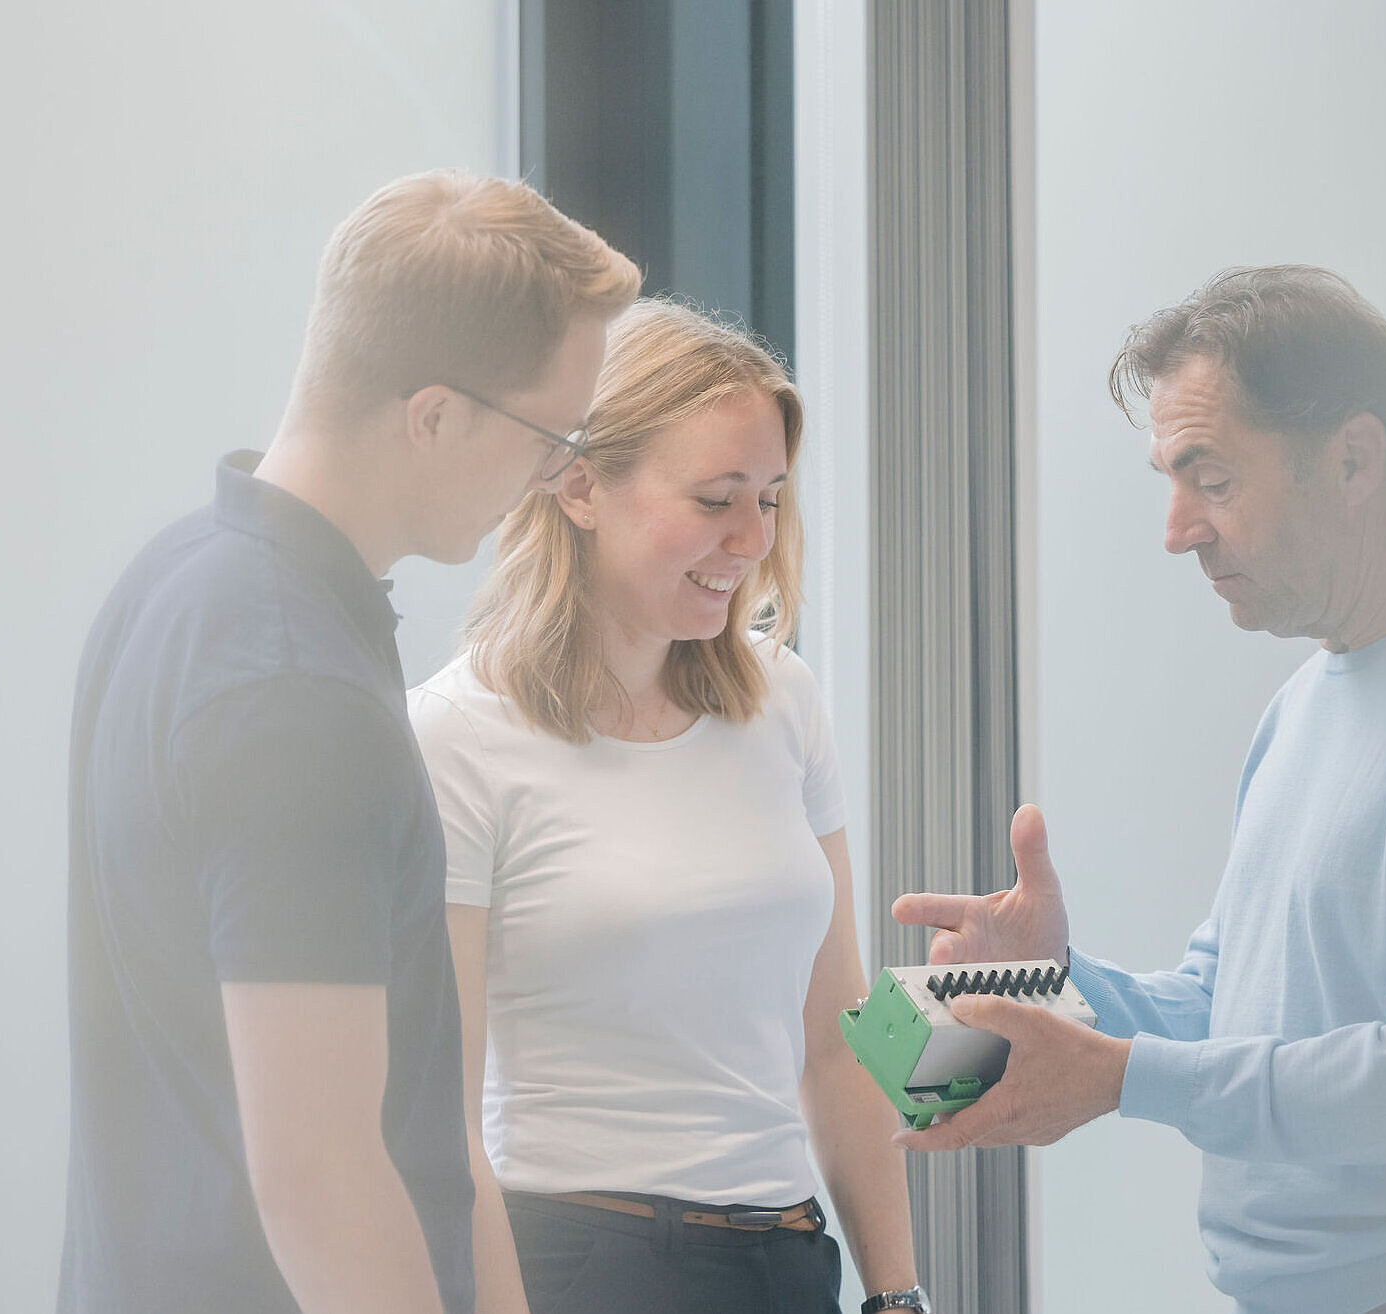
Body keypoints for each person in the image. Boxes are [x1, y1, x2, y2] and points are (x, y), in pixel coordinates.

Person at [893, 266, 1386, 1314]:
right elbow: (1225, 1009)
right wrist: (1059, 985)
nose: (1178, 529)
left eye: (1211, 479)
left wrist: (1119, 1077)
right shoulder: (1309, 697)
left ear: (1355, 459)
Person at [57, 170, 639, 1314]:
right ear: (432, 414)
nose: (549, 478)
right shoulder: (292, 693)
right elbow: (321, 1180)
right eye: (545, 436)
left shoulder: (183, 582)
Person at [408, 300, 925, 1314]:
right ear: (581, 485)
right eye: (715, 497)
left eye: (770, 499)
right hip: (580, 1263)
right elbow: (441, 1118)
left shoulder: (785, 700)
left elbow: (841, 1032)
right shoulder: (458, 735)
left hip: (788, 1254)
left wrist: (898, 1296)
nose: (749, 539)